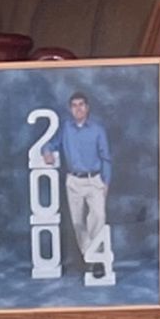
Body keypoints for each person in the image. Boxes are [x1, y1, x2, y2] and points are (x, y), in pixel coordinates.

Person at [58, 90, 112, 265]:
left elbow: (106, 157)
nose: (78, 109)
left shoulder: (97, 130)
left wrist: (106, 181)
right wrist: (46, 151)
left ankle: (96, 257)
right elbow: (51, 143)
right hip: (74, 181)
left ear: (87, 108)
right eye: (74, 106)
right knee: (77, 221)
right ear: (70, 109)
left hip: (94, 179)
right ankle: (90, 257)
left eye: (81, 105)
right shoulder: (65, 128)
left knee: (98, 216)